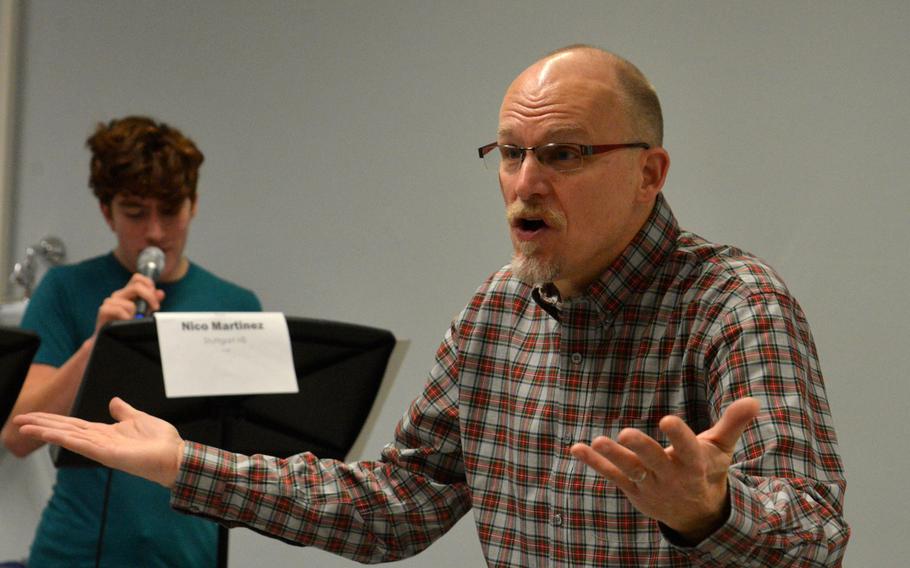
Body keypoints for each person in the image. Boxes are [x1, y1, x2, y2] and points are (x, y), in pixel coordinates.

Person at [13, 46, 849, 566]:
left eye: (563, 153)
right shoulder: (497, 310)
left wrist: (713, 511)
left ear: (649, 173)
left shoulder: (734, 305)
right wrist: (187, 466)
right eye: (512, 153)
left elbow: (815, 536)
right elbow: (395, 508)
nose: (526, 182)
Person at [1, 116, 262, 567]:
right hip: (75, 554)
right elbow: (18, 436)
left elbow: (253, 458)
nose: (156, 233)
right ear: (107, 212)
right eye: (136, 213)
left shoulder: (236, 305)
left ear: (194, 205)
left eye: (171, 210)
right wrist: (97, 346)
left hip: (189, 555)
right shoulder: (65, 290)